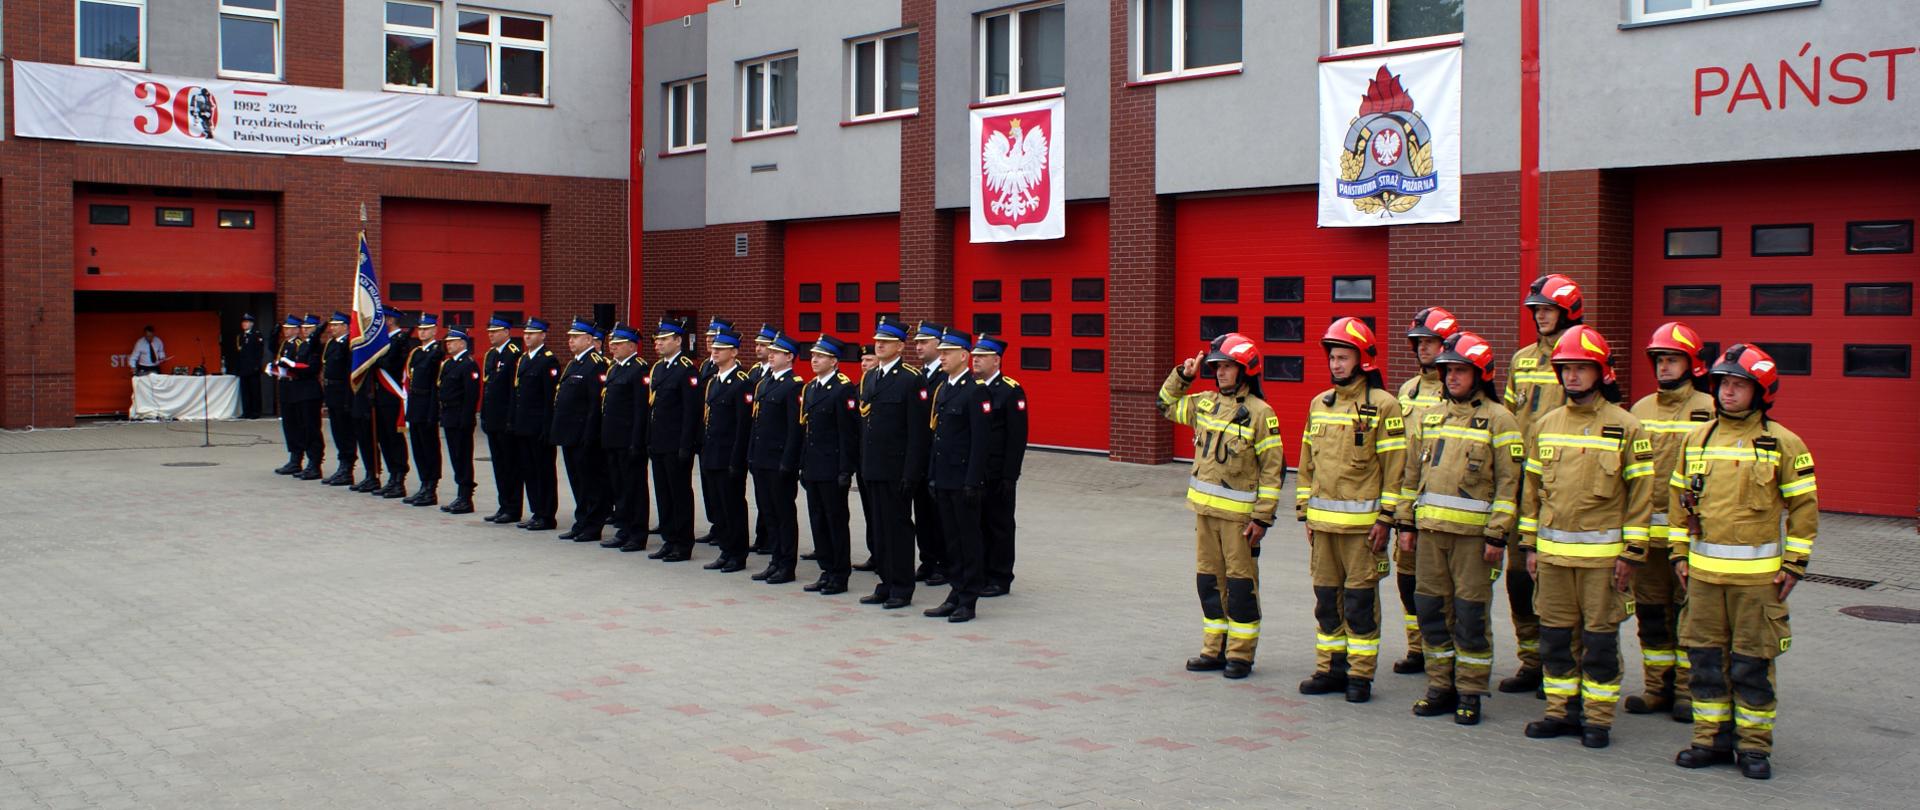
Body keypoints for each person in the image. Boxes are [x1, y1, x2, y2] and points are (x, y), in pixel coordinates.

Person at [1670, 344, 1814, 780]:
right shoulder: (1696, 440)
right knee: (1706, 662)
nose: (1728, 392)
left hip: (1757, 583)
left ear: (1761, 391)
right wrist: (1679, 553)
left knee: (1752, 664)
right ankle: (1709, 739)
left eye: (1739, 385)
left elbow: (1804, 507)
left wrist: (1793, 564)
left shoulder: (1783, 443)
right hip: (1705, 580)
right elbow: (1680, 503)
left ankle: (1753, 747)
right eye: (1723, 384)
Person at [1517, 325, 1652, 750]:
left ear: (1601, 372)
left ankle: (1597, 718)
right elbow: (1532, 494)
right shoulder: (1545, 425)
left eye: (1581, 369)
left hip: (1602, 563)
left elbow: (1641, 498)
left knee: (1598, 642)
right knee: (1555, 638)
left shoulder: (1627, 427)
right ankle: (1560, 711)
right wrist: (1530, 547)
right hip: (1553, 560)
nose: (1572, 377)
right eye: (1566, 369)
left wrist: (1631, 554)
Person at [1395, 331, 1522, 725]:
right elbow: (1411, 474)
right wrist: (1405, 521)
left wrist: (1497, 534)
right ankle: (1439, 686)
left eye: (1460, 371)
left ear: (1480, 374)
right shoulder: (1433, 416)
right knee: (1432, 610)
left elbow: (1508, 484)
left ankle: (1469, 690)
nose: (1451, 377)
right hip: (1430, 533)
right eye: (1448, 370)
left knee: (1469, 616)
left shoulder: (1501, 420)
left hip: (1473, 541)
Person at [1157, 333, 1285, 679]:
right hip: (1205, 516)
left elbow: (1273, 471)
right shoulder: (1205, 403)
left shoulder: (1261, 414)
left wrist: (1262, 518)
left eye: (1228, 367)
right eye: (1217, 368)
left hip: (1239, 520)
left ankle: (1241, 655)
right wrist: (1184, 374)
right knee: (1209, 583)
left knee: (1241, 586)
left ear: (1245, 371)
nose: (1220, 373)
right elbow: (1166, 404)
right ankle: (1213, 649)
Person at [1296, 317, 1407, 703]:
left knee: (1360, 605)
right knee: (1327, 602)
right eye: (1333, 358)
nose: (1336, 365)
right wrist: (1304, 511)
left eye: (1343, 357)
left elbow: (1395, 469)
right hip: (1323, 528)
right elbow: (1307, 462)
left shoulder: (1384, 406)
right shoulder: (1319, 404)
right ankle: (1330, 669)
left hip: (1363, 531)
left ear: (1363, 360)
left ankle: (1360, 677)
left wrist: (1386, 519)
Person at [1625, 321, 1716, 722]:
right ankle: (1655, 687)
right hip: (1647, 534)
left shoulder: (1711, 410)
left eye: (1673, 359)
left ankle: (1686, 690)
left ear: (1692, 364)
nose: (1664, 367)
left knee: (1687, 614)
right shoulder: (1639, 410)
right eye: (1660, 359)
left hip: (1688, 536)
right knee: (1650, 613)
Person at [1501, 274, 1585, 695]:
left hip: (1564, 487)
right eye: (1536, 311)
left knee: (1558, 583)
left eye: (1548, 310)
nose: (1541, 317)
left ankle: (1566, 666)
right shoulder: (1522, 360)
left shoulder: (1584, 357)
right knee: (1519, 578)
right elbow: (1512, 416)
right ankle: (1531, 660)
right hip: (1523, 484)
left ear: (1568, 311)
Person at [1392, 307, 1461, 676]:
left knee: (1443, 584)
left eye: (1430, 342)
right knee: (1408, 578)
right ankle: (1417, 647)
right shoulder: (1408, 390)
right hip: (1409, 499)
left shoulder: (1456, 388)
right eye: (1418, 342)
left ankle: (1445, 649)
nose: (1423, 348)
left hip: (1443, 500)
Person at [858, 318, 930, 610]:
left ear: (900, 346)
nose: (879, 344)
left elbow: (918, 432)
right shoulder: (871, 377)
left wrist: (912, 473)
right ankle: (885, 582)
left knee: (897, 528)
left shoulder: (911, 379)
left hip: (896, 469)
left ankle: (901, 587)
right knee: (879, 527)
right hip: (873, 467)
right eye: (878, 339)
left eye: (886, 341)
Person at [922, 329, 993, 623]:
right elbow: (938, 437)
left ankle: (968, 599)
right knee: (951, 540)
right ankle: (955, 592)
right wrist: (932, 475)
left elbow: (980, 442)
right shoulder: (945, 388)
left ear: (964, 356)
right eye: (941, 352)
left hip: (964, 479)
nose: (942, 357)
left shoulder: (976, 391)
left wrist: (973, 481)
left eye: (947, 353)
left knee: (968, 540)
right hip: (945, 478)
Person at [799, 335, 860, 595]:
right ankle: (826, 569)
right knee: (817, 519)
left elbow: (848, 433)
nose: (814, 360)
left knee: (835, 520)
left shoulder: (842, 389)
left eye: (820, 356)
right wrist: (802, 465)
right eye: (813, 355)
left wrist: (846, 469)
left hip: (832, 467)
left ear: (834, 361)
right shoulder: (811, 388)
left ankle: (839, 573)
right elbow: (807, 430)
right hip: (813, 466)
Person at [972, 334, 1028, 598]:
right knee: (979, 524)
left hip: (998, 473)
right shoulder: (972, 388)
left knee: (1000, 525)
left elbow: (1017, 438)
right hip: (976, 471)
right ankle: (981, 572)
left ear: (996, 360)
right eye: (974, 356)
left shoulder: (1010, 390)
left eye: (981, 357)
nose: (975, 361)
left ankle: (1000, 577)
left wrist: (1009, 475)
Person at [748, 331, 804, 584]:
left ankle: (786, 565)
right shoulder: (765, 383)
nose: (770, 355)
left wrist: (788, 462)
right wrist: (751, 454)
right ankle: (775, 559)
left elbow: (795, 429)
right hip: (761, 459)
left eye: (776, 352)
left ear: (789, 357)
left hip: (779, 461)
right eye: (769, 351)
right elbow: (756, 424)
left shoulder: (794, 386)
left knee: (783, 514)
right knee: (768, 511)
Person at [647, 317, 703, 561]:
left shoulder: (686, 369)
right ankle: (669, 539)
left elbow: (691, 412)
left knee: (679, 493)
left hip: (676, 444)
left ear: (678, 341)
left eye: (663, 339)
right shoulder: (659, 368)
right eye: (657, 339)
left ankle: (683, 542)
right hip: (659, 441)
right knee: (663, 493)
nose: (658, 344)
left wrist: (686, 444)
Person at [700, 330, 754, 572]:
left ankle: (737, 553)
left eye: (720, 349)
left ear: (733, 352)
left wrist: (737, 460)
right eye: (714, 348)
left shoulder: (742, 383)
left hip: (729, 456)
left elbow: (743, 426)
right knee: (719, 506)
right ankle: (725, 549)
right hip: (712, 453)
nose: (714, 351)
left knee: (733, 506)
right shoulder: (713, 381)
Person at [554, 319, 611, 544]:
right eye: (570, 337)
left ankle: (593, 524)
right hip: (570, 433)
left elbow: (595, 405)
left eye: (575, 337)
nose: (570, 341)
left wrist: (590, 434)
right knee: (577, 480)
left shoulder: (595, 364)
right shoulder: (573, 364)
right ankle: (581, 521)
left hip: (585, 435)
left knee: (591, 482)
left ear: (589, 339)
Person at [599, 323, 651, 552]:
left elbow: (641, 410)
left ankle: (637, 534)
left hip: (629, 440)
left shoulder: (638, 369)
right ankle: (623, 528)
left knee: (634, 488)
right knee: (619, 487)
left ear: (631, 346)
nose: (613, 347)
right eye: (612, 343)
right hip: (613, 439)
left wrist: (636, 441)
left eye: (618, 343)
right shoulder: (614, 369)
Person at [511, 318, 561, 531]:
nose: (527, 337)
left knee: (544, 471)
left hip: (539, 426)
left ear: (543, 335)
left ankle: (547, 514)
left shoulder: (548, 360)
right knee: (529, 470)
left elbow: (550, 399)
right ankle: (536, 511)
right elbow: (518, 393)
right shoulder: (523, 359)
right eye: (526, 333)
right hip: (524, 425)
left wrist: (547, 428)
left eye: (532, 333)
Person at [911, 320, 951, 586]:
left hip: (939, 457)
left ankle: (943, 563)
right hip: (919, 455)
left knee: (940, 514)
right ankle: (927, 559)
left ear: (939, 345)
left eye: (924, 342)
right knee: (922, 512)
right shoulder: (918, 376)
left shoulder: (947, 376)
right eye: (916, 342)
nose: (918, 346)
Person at [479, 317, 524, 523]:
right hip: (493, 419)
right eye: (489, 331)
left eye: (495, 331)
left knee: (510, 466)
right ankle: (503, 504)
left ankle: (513, 508)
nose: (491, 334)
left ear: (506, 332)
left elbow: (512, 391)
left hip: (506, 420)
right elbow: (488, 388)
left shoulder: (513, 354)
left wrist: (511, 420)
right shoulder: (491, 355)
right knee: (499, 465)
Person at [695, 316, 734, 545]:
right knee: (709, 486)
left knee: (724, 490)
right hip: (707, 434)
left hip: (723, 440)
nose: (710, 342)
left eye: (716, 338)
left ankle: (725, 528)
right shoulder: (706, 366)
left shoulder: (734, 372)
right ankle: (716, 524)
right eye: (709, 338)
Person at [437, 326, 481, 515]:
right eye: (447, 342)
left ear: (462, 343)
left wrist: (466, 419)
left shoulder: (468, 364)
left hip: (461, 418)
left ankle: (465, 497)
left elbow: (471, 396)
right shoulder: (448, 364)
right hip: (449, 416)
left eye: (452, 342)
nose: (448, 345)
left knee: (463, 456)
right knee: (455, 456)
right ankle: (460, 494)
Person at [371, 308, 414, 499]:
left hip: (393, 395)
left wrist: (376, 359)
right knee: (383, 438)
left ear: (389, 320)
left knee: (394, 437)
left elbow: (391, 365)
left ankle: (399, 479)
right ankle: (391, 476)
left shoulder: (401, 341)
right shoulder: (386, 341)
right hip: (381, 396)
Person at [403, 314, 444, 506]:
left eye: (426, 329)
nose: (422, 332)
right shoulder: (417, 353)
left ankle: (431, 488)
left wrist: (432, 411)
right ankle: (423, 484)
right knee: (418, 447)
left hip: (428, 403)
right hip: (416, 403)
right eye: (420, 329)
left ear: (435, 330)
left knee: (429, 447)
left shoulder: (437, 352)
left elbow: (435, 385)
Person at [745, 324, 778, 553]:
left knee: (774, 499)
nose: (758, 348)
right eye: (756, 344)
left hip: (773, 447)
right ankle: (761, 537)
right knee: (761, 495)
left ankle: (768, 538)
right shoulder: (755, 372)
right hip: (757, 439)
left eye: (763, 345)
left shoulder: (778, 377)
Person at [320, 313, 362, 487]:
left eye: (337, 325)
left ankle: (347, 468)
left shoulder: (348, 345)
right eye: (332, 325)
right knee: (337, 431)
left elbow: (348, 374)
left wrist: (347, 398)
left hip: (343, 392)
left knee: (346, 432)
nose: (332, 328)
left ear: (346, 326)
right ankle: (342, 465)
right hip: (331, 392)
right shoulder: (332, 344)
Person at [288, 315, 327, 480]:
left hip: (310, 391)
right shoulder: (304, 344)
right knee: (302, 427)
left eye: (309, 328)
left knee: (312, 428)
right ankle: (307, 461)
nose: (304, 330)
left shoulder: (316, 345)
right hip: (299, 390)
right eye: (303, 328)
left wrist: (295, 369)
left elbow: (312, 368)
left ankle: (315, 463)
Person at [854, 343, 882, 573]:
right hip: (862, 460)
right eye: (863, 361)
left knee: (882, 512)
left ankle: (885, 555)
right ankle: (875, 553)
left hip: (881, 460)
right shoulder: (858, 388)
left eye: (869, 360)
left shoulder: (883, 387)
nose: (865, 365)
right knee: (869, 510)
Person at [272, 316, 307, 475]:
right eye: (285, 328)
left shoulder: (298, 344)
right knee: (288, 423)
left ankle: (298, 457)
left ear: (296, 329)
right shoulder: (285, 344)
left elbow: (298, 365)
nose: (286, 331)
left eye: (289, 328)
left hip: (295, 387)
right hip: (285, 385)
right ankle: (293, 457)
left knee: (296, 422)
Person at [233, 314, 266, 419]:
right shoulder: (240, 336)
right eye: (243, 322)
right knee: (245, 391)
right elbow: (238, 354)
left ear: (251, 324)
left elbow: (259, 352)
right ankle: (246, 411)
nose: (244, 324)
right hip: (243, 368)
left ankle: (255, 412)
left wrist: (256, 365)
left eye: (247, 322)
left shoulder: (256, 335)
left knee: (254, 391)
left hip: (253, 368)